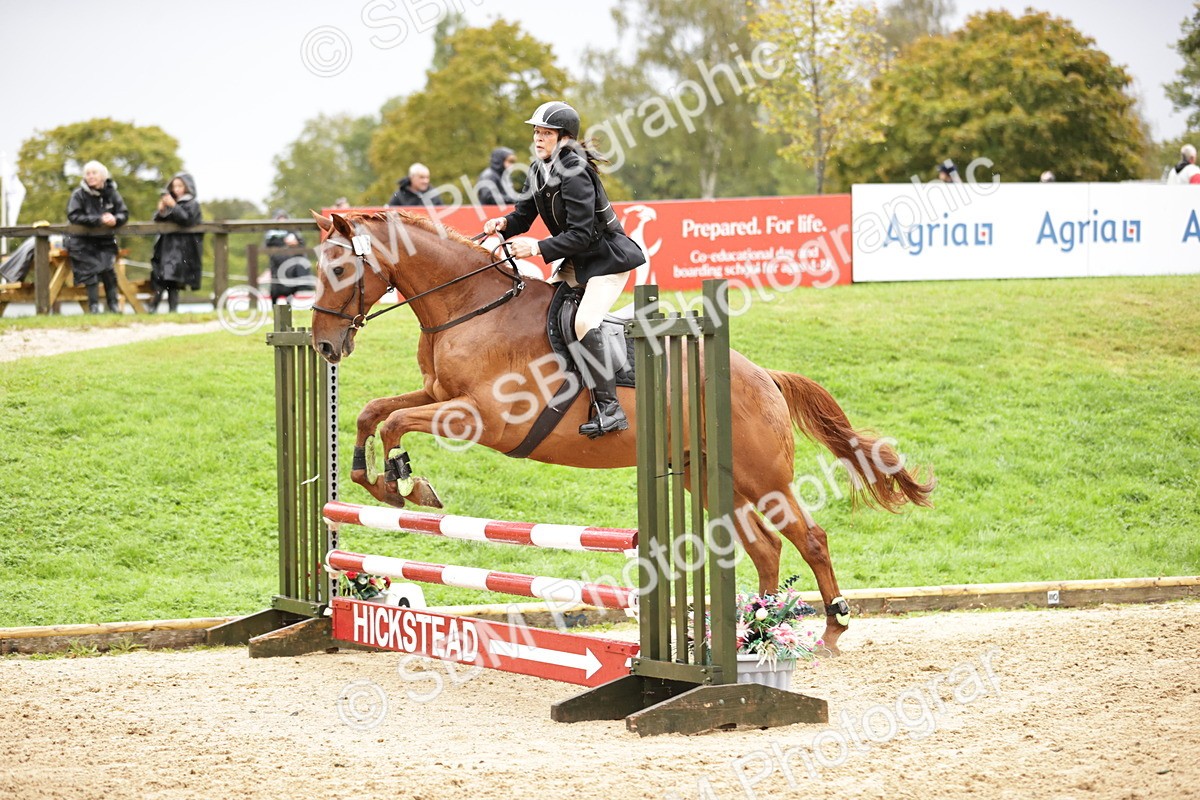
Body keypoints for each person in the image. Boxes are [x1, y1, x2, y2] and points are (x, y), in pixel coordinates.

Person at [483, 101, 646, 439]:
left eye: (545, 133)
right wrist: (503, 224)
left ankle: (610, 407)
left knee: (584, 321)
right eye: (536, 132)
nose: (538, 138)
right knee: (544, 310)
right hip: (577, 260)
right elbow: (523, 216)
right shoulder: (537, 169)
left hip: (607, 260)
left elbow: (583, 233)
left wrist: (538, 247)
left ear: (565, 139)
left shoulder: (575, 172)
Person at [65, 160, 128, 313]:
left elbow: (123, 213)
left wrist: (115, 219)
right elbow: (74, 216)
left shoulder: (112, 193)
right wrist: (98, 220)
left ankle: (113, 305)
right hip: (81, 241)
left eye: (94, 173)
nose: (91, 176)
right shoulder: (78, 194)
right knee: (90, 271)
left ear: (103, 176)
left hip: (104, 241)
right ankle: (93, 306)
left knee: (108, 270)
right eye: (88, 173)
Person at [149, 172, 203, 312]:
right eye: (174, 186)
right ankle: (152, 309)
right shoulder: (171, 203)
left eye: (180, 186)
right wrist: (161, 211)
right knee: (160, 278)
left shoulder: (192, 204)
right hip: (165, 248)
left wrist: (173, 206)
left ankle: (172, 310)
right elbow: (159, 220)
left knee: (173, 281)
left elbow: (186, 220)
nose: (176, 189)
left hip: (181, 250)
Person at [263, 210, 312, 302]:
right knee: (276, 288)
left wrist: (295, 243)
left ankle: (290, 304)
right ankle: (275, 309)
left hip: (291, 264)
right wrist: (284, 241)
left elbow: (301, 245)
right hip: (277, 264)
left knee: (290, 287)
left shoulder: (292, 231)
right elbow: (269, 246)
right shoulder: (272, 233)